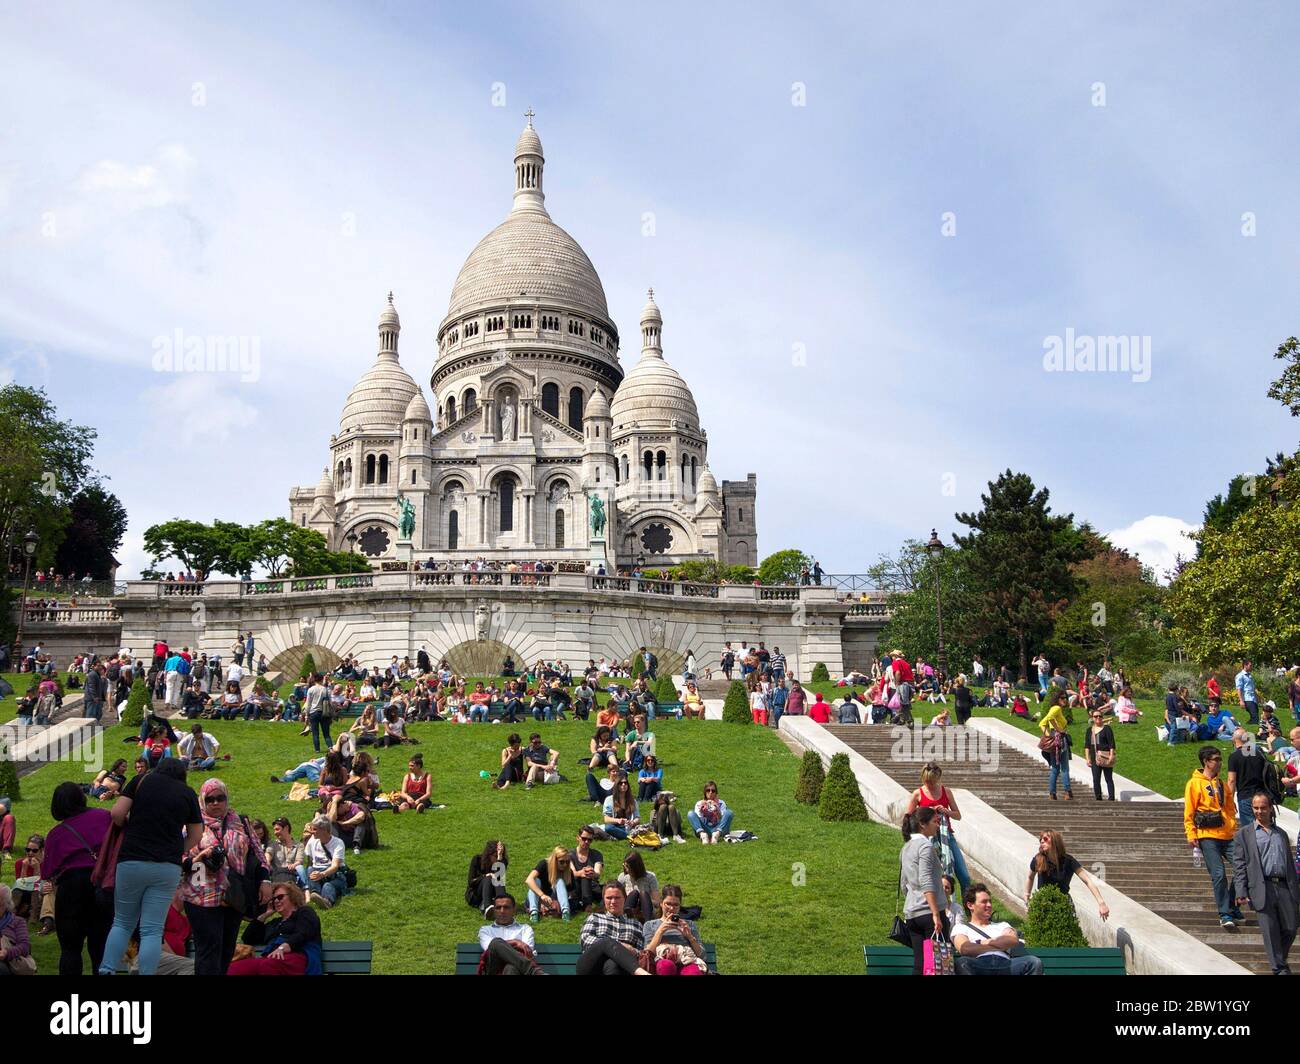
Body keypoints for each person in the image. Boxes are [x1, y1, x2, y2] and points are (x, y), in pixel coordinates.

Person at [181, 778, 269, 975]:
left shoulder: (241, 822)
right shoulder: (191, 824)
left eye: (220, 798)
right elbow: (178, 855)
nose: (215, 803)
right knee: (208, 952)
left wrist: (265, 880)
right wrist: (200, 858)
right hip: (200, 896)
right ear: (202, 800)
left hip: (233, 896)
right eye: (210, 799)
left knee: (226, 952)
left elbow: (258, 854)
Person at [1232, 793, 1300, 975]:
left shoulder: (1282, 834)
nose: (1259, 811)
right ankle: (1279, 969)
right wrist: (1240, 890)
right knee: (1270, 932)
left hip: (1285, 887)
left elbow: (1290, 864)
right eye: (1256, 808)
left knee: (1291, 927)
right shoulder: (1244, 835)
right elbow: (1239, 865)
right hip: (1262, 888)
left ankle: (1280, 960)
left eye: (1263, 807)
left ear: (1270, 808)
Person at [1184, 745, 1244, 929]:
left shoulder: (1221, 783)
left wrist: (1233, 826)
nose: (1219, 763)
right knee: (1218, 874)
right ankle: (1225, 913)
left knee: (1243, 867)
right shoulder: (1194, 783)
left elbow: (1229, 808)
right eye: (1215, 759)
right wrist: (1191, 833)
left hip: (1226, 834)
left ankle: (1232, 905)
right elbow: (1189, 810)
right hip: (1207, 835)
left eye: (1220, 759)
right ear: (1206, 761)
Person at [229, 882, 323, 975]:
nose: (276, 901)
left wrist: (282, 948)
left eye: (280, 897)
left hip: (300, 958)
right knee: (232, 969)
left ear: (292, 897)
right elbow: (248, 939)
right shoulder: (275, 923)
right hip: (272, 960)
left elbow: (303, 934)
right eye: (274, 899)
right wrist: (264, 915)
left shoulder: (305, 912)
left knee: (268, 964)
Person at [951, 883, 1043, 975]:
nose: (989, 905)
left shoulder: (1002, 925)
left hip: (1006, 964)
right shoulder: (961, 928)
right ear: (970, 905)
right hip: (979, 964)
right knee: (962, 963)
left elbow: (1012, 940)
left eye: (990, 901)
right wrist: (999, 945)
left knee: (1034, 962)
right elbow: (965, 948)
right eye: (984, 902)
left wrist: (982, 942)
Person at [905, 762, 970, 892]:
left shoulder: (946, 792)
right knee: (934, 876)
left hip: (947, 836)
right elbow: (908, 818)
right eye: (927, 781)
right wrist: (927, 811)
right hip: (927, 839)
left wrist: (946, 811)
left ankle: (968, 909)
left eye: (933, 782)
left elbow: (958, 815)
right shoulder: (918, 794)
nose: (930, 784)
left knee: (964, 876)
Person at [900, 807, 950, 976]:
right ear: (923, 824)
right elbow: (926, 879)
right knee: (936, 967)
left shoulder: (906, 847)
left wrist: (913, 900)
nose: (938, 826)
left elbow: (903, 883)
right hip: (930, 913)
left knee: (920, 965)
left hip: (912, 914)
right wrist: (936, 913)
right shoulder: (925, 846)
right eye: (935, 822)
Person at [1024, 830, 1109, 920]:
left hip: (1063, 902)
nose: (1042, 841)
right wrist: (1027, 897)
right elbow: (1030, 877)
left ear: (1055, 841)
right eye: (1041, 839)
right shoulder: (1038, 859)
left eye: (1045, 839)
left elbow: (1087, 880)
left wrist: (1101, 903)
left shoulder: (1069, 861)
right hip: (1042, 902)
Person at [576, 881, 650, 975]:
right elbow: (585, 941)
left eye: (617, 898)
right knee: (606, 942)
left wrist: (633, 951)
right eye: (609, 898)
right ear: (604, 899)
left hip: (620, 968)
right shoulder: (595, 918)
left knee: (613, 964)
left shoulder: (636, 924)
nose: (613, 901)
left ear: (625, 899)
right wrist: (619, 946)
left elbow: (641, 952)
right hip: (591, 966)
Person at [477, 893, 544, 975]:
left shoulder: (525, 929)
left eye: (506, 907)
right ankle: (534, 972)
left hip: (517, 969)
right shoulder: (485, 930)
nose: (502, 911)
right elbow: (491, 948)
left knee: (511, 967)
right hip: (493, 968)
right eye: (498, 908)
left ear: (514, 909)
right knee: (495, 943)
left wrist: (509, 946)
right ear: (494, 910)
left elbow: (527, 950)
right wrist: (516, 942)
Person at [301, 814, 350, 909]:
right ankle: (315, 893)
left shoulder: (338, 843)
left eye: (315, 829)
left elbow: (335, 866)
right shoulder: (312, 841)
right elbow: (309, 862)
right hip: (317, 872)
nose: (312, 832)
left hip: (334, 874)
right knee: (310, 869)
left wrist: (322, 874)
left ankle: (327, 901)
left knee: (328, 886)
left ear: (324, 830)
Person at [1227, 728, 1269, 823]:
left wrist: (1229, 800)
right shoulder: (1259, 753)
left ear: (1234, 740)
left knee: (1250, 831)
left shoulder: (1234, 756)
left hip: (1245, 797)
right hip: (1262, 795)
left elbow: (1231, 780)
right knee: (1266, 826)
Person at [1038, 692, 1073, 800]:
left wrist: (1049, 735)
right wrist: (1059, 730)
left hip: (1054, 740)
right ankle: (1067, 792)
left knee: (1055, 768)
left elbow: (1042, 723)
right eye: (1062, 698)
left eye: (1066, 698)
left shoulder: (1055, 709)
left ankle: (1052, 793)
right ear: (1057, 699)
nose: (1065, 700)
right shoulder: (1056, 708)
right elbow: (1050, 718)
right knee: (1064, 768)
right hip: (1060, 740)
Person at [524, 846, 574, 922]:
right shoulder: (544, 864)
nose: (564, 865)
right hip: (537, 898)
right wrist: (542, 895)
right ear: (554, 860)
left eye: (567, 862)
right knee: (535, 880)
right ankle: (534, 913)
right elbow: (529, 880)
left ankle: (565, 912)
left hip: (553, 902)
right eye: (561, 862)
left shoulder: (568, 872)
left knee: (560, 881)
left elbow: (571, 893)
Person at [466, 840, 509, 916]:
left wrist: (499, 857)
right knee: (489, 878)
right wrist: (485, 876)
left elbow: (499, 879)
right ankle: (487, 908)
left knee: (497, 879)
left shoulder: (501, 861)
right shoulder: (477, 859)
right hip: (475, 895)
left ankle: (502, 905)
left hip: (492, 894)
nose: (496, 858)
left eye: (498, 855)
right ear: (489, 854)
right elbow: (471, 882)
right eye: (495, 855)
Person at [1082, 708, 1116, 801]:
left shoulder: (1107, 728)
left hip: (1105, 756)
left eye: (1100, 716)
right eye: (1095, 716)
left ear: (1102, 717)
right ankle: (1098, 798)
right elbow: (1087, 746)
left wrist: (1111, 755)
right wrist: (1087, 758)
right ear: (1092, 718)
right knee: (1096, 779)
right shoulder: (1090, 730)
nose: (1098, 718)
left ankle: (1111, 798)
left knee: (1108, 778)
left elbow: (1111, 744)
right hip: (1094, 758)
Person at [0, 884, 33, 974]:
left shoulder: (18, 922)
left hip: (8, 962)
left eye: (0, 905)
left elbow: (25, 947)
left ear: (7, 905)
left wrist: (7, 953)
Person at [618, 850, 660, 922]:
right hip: (630, 908)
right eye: (625, 866)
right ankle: (625, 920)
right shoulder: (622, 877)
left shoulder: (650, 877)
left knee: (642, 893)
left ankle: (648, 924)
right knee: (634, 893)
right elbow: (618, 898)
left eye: (628, 867)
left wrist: (642, 898)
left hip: (645, 909)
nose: (626, 870)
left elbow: (657, 903)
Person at [597, 777, 640, 841]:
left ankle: (624, 836)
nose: (623, 785)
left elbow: (637, 818)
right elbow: (606, 819)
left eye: (625, 783)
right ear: (617, 786)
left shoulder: (632, 801)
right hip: (615, 826)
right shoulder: (609, 800)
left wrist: (633, 822)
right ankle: (629, 837)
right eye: (621, 783)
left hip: (628, 827)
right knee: (608, 828)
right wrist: (618, 820)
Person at [267, 818, 304, 884]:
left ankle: (306, 889)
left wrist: (294, 865)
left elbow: (299, 861)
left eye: (277, 829)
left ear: (286, 828)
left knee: (300, 868)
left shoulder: (299, 845)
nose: (275, 833)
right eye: (274, 830)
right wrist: (267, 861)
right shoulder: (273, 844)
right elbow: (268, 853)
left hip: (292, 874)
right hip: (278, 874)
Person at [1237, 661, 1259, 725]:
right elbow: (1239, 689)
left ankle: (1249, 726)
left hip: (1253, 699)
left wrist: (1257, 697)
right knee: (1255, 717)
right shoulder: (1240, 676)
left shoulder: (1249, 676)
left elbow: (1252, 688)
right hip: (1247, 699)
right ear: (1245, 665)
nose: (1251, 667)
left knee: (1255, 716)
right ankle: (1248, 728)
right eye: (1250, 665)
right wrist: (1241, 700)